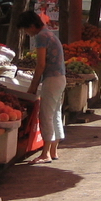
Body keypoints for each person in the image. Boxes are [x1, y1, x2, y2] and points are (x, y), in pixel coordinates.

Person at [20, 10, 66, 163]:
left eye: (26, 29)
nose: (26, 33)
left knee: (46, 115)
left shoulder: (41, 36)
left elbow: (40, 65)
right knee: (55, 114)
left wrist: (33, 87)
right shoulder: (49, 33)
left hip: (51, 79)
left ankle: (45, 154)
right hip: (60, 78)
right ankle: (53, 150)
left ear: (32, 25)